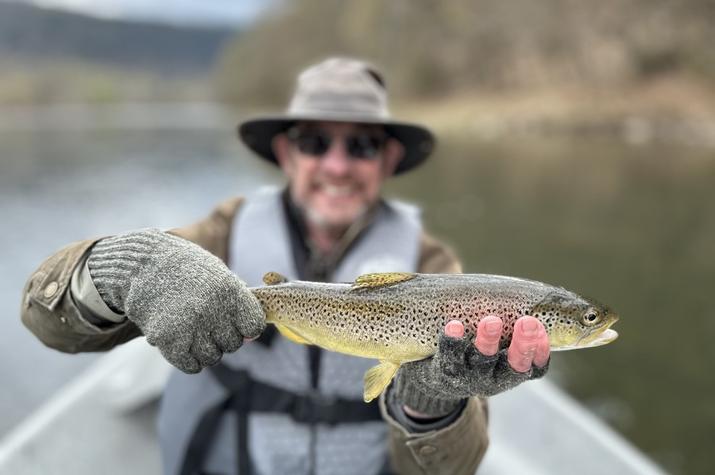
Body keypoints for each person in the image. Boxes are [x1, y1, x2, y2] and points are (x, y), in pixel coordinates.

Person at [21, 57, 550, 475]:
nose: (337, 165)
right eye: (315, 142)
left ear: (387, 160)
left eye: (361, 145)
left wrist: (431, 402)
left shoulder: (435, 266)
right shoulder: (222, 234)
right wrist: (119, 270)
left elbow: (454, 469)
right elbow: (47, 324)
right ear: (286, 153)